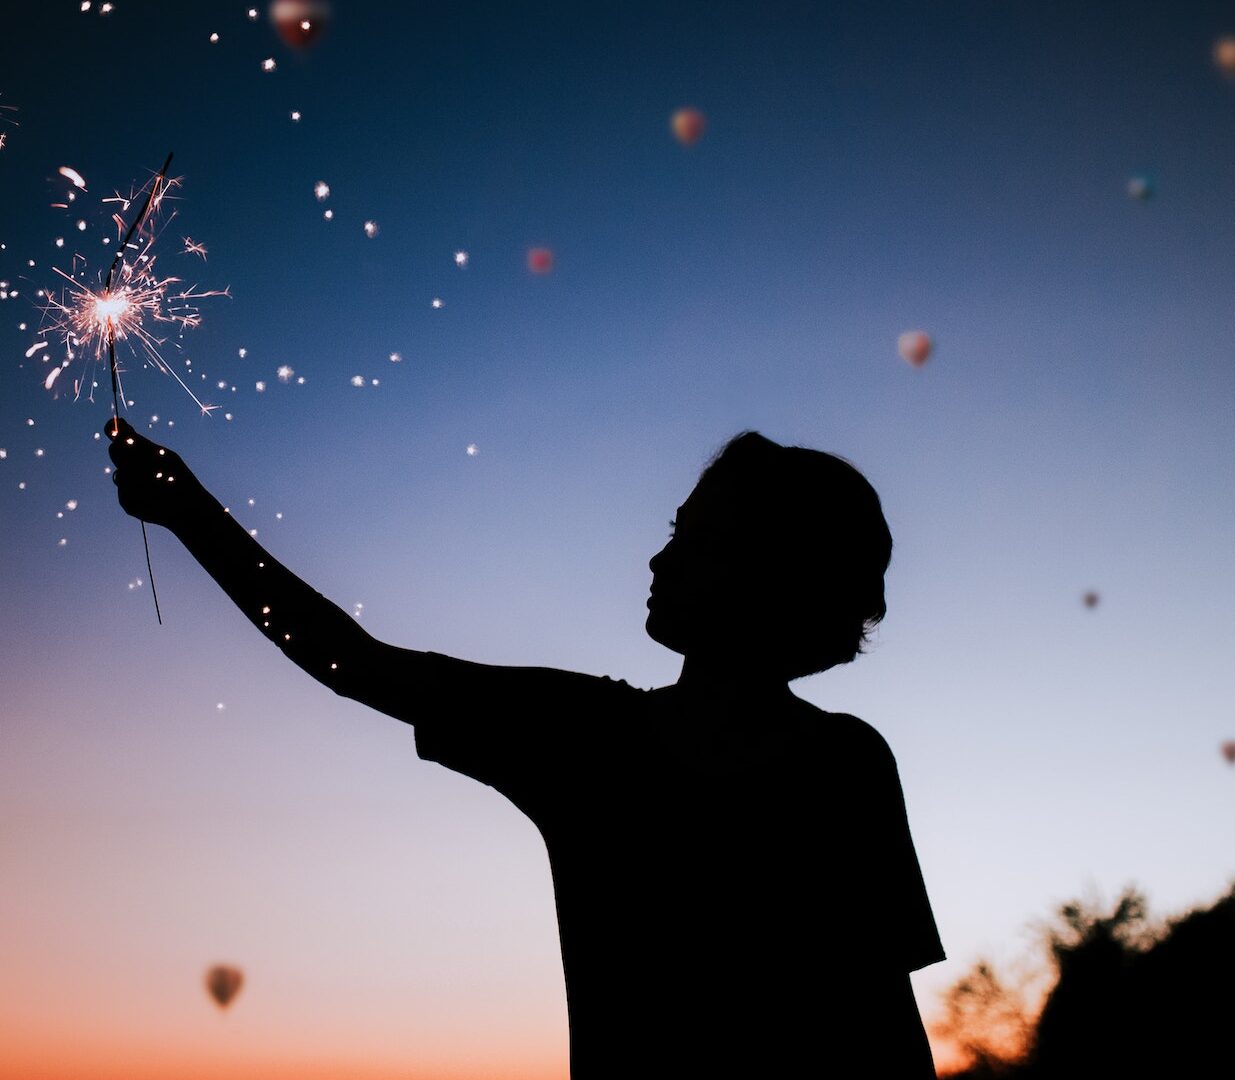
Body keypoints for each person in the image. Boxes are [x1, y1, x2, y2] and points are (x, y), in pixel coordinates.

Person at [106, 420, 944, 1077]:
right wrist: (185, 510)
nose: (658, 557)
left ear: (767, 572)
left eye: (693, 538)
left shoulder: (590, 739)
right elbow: (886, 1030)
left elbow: (353, 665)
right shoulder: (843, 764)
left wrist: (186, 510)